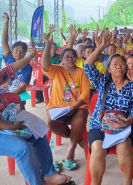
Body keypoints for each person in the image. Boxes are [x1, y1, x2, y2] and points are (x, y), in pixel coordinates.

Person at [0, 53, 73, 185]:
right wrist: (12, 126)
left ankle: (49, 175)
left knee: (38, 133)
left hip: (1, 128)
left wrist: (30, 56)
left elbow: (8, 70)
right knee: (22, 149)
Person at [84, 29, 133, 185]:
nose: (119, 66)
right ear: (108, 68)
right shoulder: (103, 82)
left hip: (124, 126)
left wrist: (125, 123)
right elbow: (87, 66)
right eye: (115, 64)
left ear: (126, 68)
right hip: (99, 125)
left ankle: (127, 182)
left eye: (122, 64)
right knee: (97, 147)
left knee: (124, 146)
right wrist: (101, 46)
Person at [41, 33, 90, 171]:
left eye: (73, 56)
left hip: (78, 106)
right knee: (51, 123)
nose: (71, 58)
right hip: (59, 108)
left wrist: (75, 106)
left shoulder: (81, 72)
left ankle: (71, 150)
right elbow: (44, 65)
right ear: (61, 59)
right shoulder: (57, 70)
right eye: (67, 56)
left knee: (80, 119)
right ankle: (78, 139)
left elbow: (86, 92)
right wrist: (48, 44)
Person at [0, 13, 32, 101]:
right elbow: (4, 42)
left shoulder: (27, 67)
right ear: (12, 51)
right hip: (4, 91)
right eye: (16, 50)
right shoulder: (10, 58)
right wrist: (6, 23)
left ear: (25, 53)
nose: (19, 53)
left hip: (16, 95)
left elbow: (23, 86)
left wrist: (10, 96)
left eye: (22, 51)